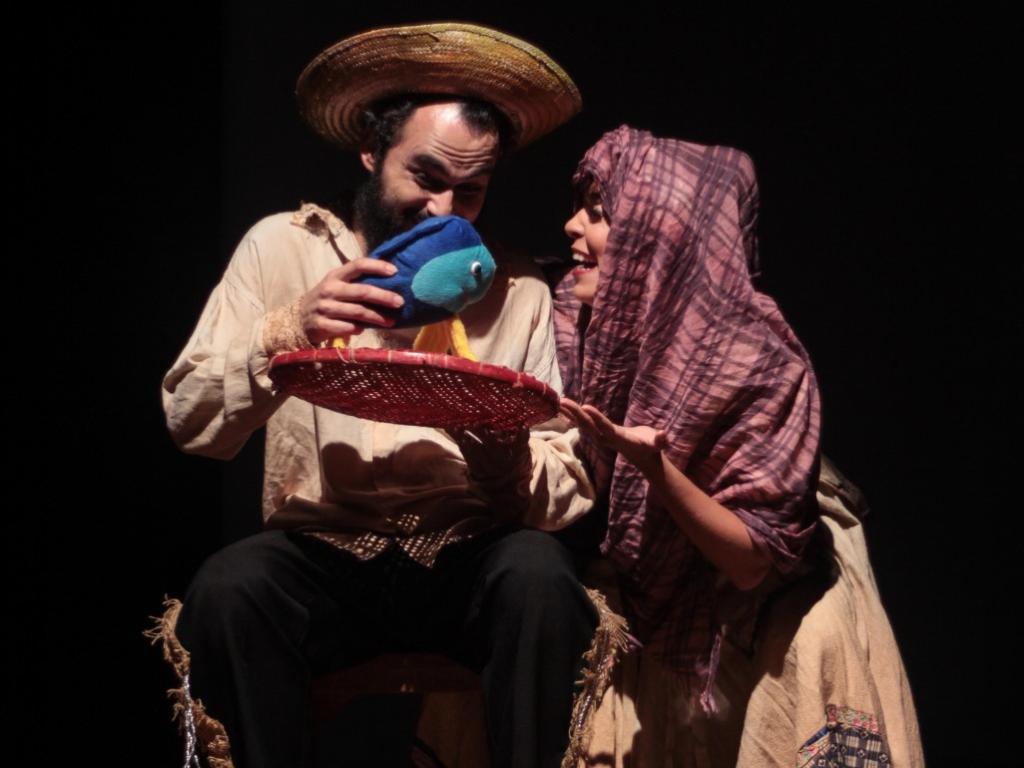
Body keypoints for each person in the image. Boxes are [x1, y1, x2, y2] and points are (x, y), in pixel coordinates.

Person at [152, 24, 599, 768]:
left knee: (541, 580)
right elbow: (189, 421)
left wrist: (506, 463)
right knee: (230, 589)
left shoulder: (516, 289)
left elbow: (568, 487)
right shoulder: (282, 247)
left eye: (470, 190)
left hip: (464, 561)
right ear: (370, 149)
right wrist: (287, 330)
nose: (444, 209)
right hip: (323, 557)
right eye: (424, 176)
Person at [554, 125, 924, 767]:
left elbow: (754, 560)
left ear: (657, 236)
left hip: (761, 599)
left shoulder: (759, 360)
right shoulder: (574, 320)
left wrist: (656, 469)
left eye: (599, 213)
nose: (571, 226)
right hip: (641, 589)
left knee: (809, 653)